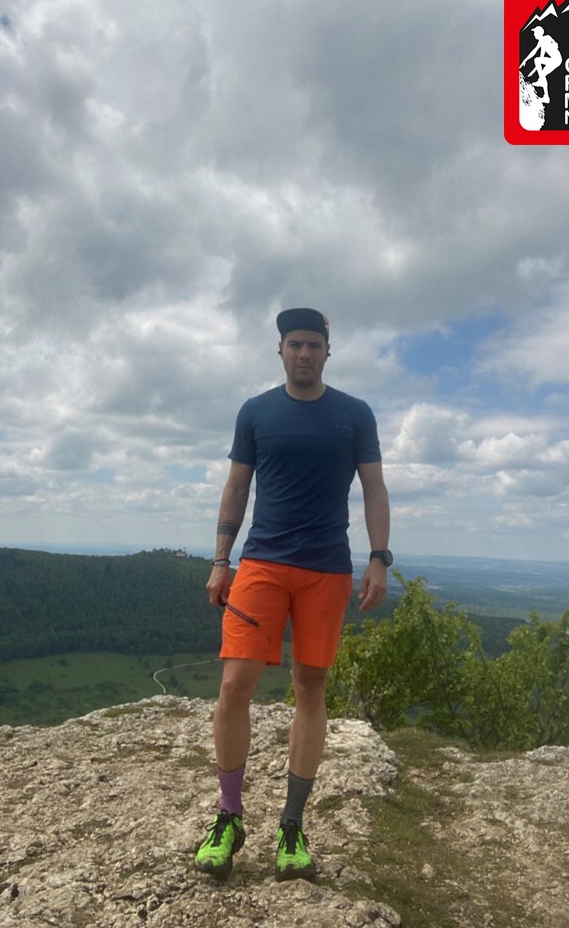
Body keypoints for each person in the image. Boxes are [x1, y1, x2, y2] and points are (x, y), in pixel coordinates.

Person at [194, 307, 392, 882]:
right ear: (279, 350)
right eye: (294, 344)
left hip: (326, 568)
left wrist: (379, 557)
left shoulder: (354, 414)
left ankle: (292, 825)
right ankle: (229, 816)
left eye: (313, 345)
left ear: (328, 351)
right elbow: (236, 487)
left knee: (310, 687)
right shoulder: (256, 412)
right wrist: (221, 560)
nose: (304, 353)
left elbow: (374, 488)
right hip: (261, 563)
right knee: (234, 685)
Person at [520, 25, 562, 104]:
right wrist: (533, 72)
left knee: (537, 62)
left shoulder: (544, 39)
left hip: (556, 60)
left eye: (535, 33)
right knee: (541, 71)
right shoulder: (544, 41)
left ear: (539, 33)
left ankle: (541, 82)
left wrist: (525, 60)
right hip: (556, 60)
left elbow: (534, 52)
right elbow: (540, 60)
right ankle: (546, 96)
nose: (534, 34)